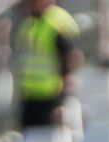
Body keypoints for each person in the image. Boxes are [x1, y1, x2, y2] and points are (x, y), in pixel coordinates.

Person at [14, 0, 80, 129]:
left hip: (51, 94)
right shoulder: (29, 21)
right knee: (30, 137)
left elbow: (70, 57)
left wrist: (65, 93)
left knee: (47, 138)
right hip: (29, 94)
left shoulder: (56, 22)